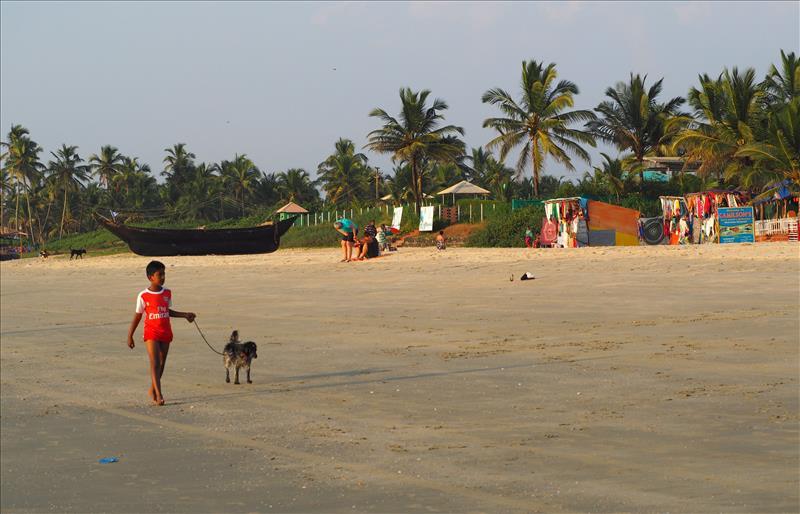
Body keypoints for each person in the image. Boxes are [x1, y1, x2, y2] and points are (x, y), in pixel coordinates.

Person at [127, 260, 196, 406]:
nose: (163, 277)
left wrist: (185, 315)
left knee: (162, 363)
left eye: (164, 274)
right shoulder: (143, 295)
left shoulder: (167, 293)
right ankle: (159, 394)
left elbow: (166, 311)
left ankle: (152, 389)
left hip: (166, 331)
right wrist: (130, 335)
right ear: (150, 277)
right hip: (151, 332)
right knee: (155, 362)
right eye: (160, 274)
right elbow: (138, 316)